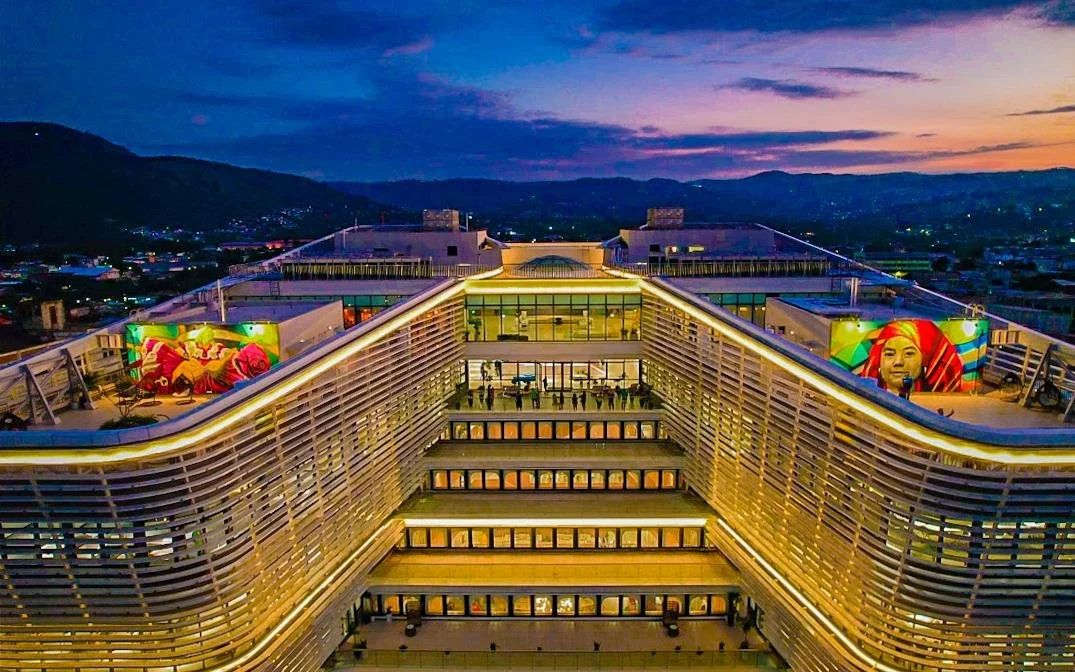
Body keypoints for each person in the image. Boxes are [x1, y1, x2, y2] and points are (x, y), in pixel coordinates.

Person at [861, 319, 964, 394]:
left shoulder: (943, 407)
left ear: (926, 361)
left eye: (909, 354)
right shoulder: (859, 400)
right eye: (889, 354)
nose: (898, 362)